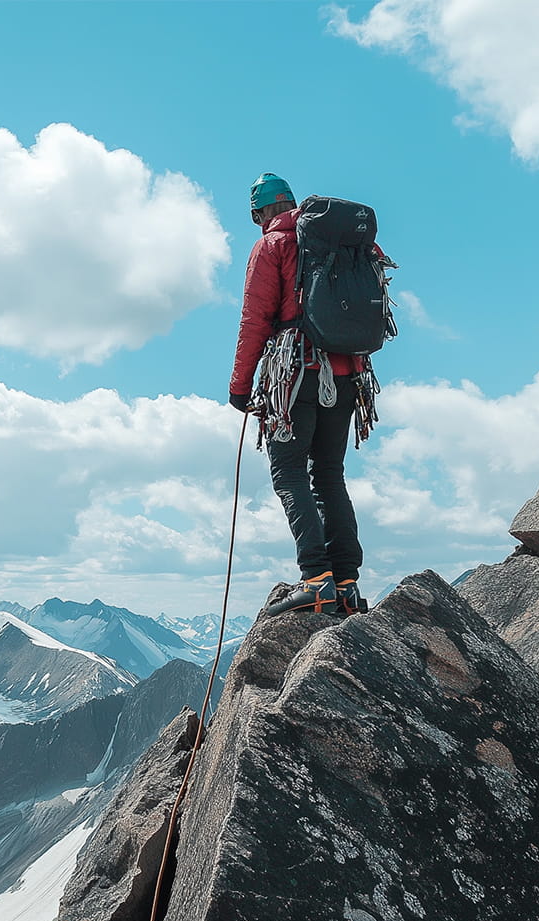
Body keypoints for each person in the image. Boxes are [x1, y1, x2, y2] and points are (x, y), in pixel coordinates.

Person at [228, 172, 367, 616]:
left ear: (262, 212)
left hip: (295, 373)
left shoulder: (273, 246)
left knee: (288, 472)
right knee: (329, 473)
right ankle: (346, 585)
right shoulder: (342, 243)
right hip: (347, 372)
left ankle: (317, 580)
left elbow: (254, 320)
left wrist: (240, 386)